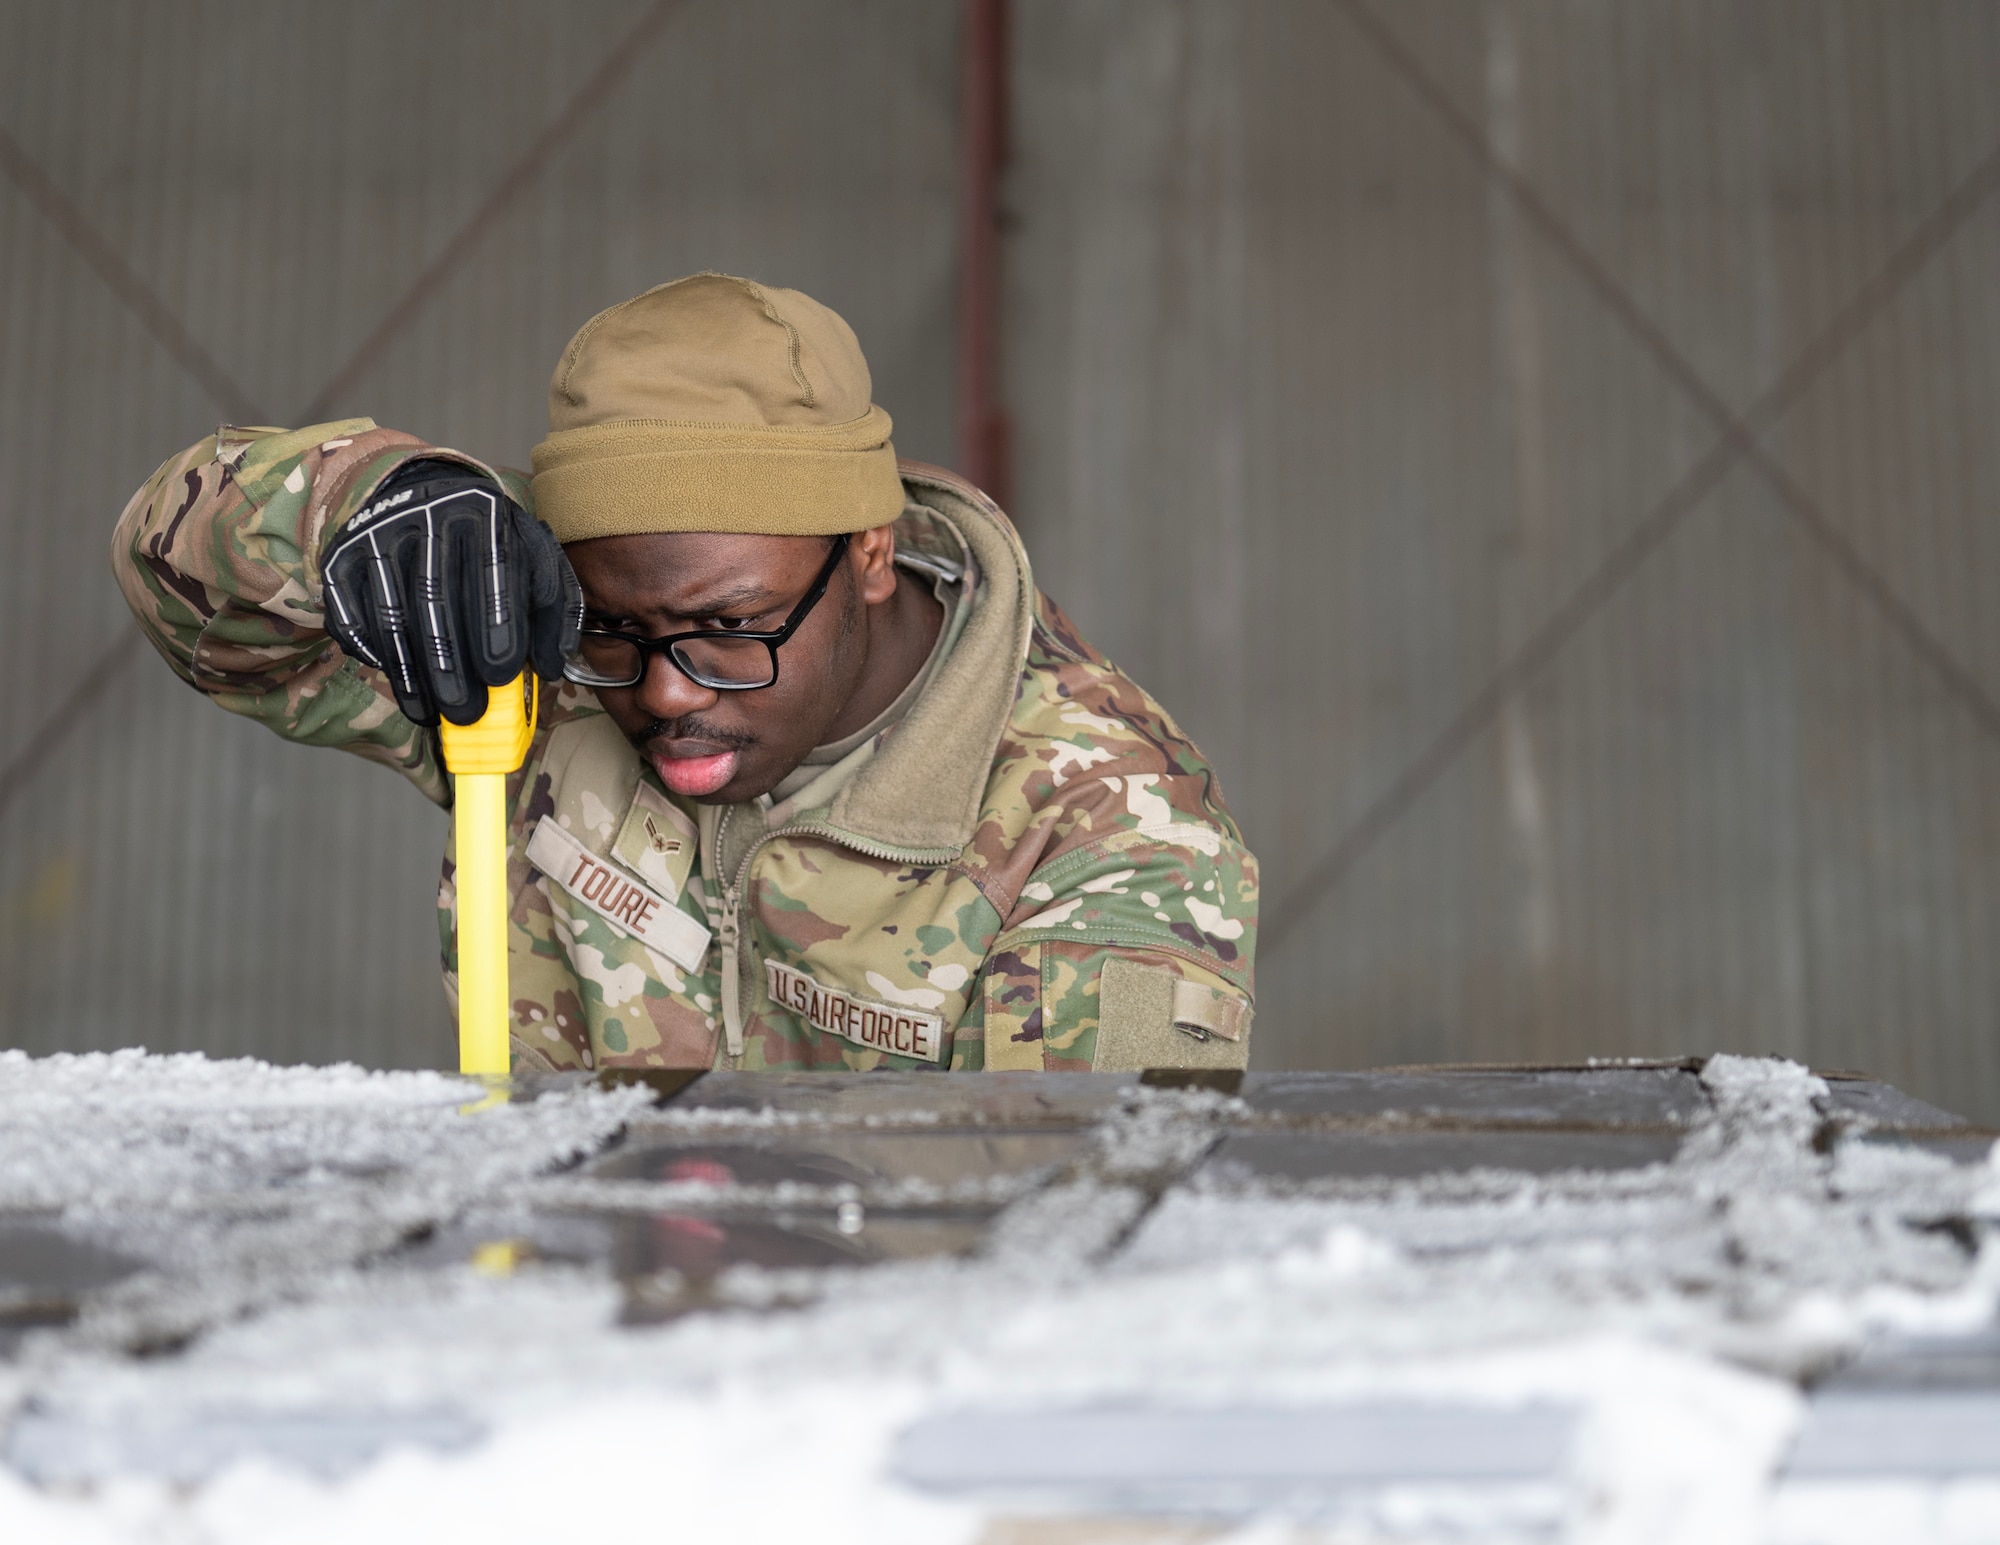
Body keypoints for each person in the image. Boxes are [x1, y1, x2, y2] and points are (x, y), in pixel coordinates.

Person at [111, 274, 1257, 1073]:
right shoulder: (534, 650)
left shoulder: (1109, 830)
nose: (663, 692)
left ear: (865, 554)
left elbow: (1082, 1250)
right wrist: (354, 503)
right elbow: (183, 589)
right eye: (615, 629)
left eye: (729, 624)